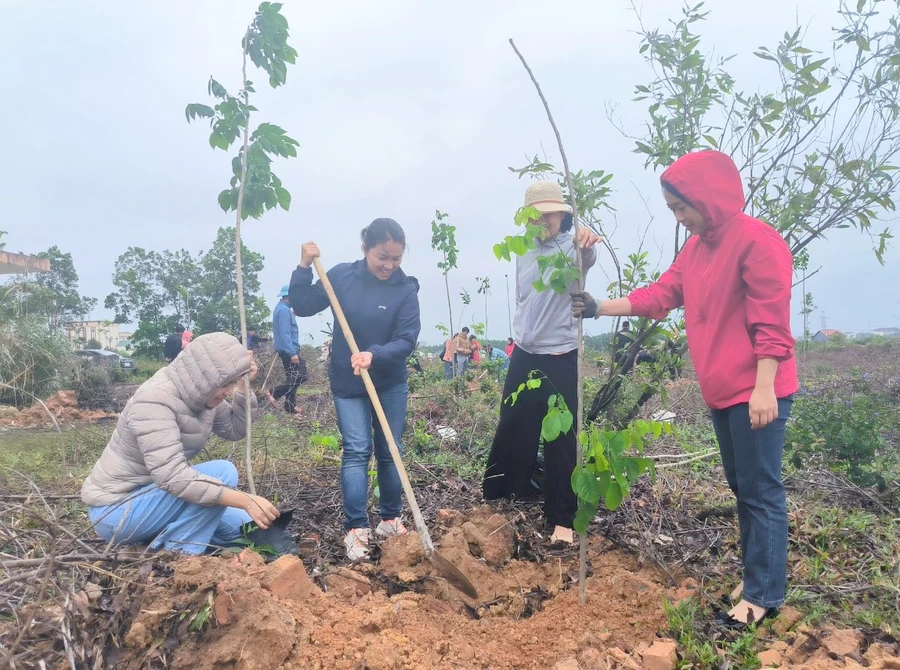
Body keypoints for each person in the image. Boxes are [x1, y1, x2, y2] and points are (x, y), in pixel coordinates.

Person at [571, 150, 797, 628]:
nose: (679, 218)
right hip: (722, 390)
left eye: (681, 208)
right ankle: (761, 575)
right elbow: (661, 295)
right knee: (743, 488)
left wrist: (765, 388)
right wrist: (598, 307)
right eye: (673, 209)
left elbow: (771, 321)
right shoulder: (695, 250)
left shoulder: (758, 242)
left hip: (755, 389)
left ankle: (763, 594)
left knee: (760, 490)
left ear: (707, 198)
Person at [289, 218, 421, 561]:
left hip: (389, 380)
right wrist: (304, 266)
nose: (389, 266)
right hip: (348, 384)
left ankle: (390, 520)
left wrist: (373, 355)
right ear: (366, 249)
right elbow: (302, 305)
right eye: (382, 257)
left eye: (396, 259)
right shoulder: (342, 277)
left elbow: (406, 340)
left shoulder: (405, 289)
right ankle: (357, 528)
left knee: (391, 451)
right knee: (357, 450)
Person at [81, 333, 281, 555]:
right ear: (204, 377)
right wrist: (246, 500)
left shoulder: (201, 395)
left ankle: (149, 546)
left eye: (233, 383)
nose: (229, 391)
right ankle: (177, 556)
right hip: (117, 511)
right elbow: (172, 476)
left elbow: (235, 429)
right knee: (224, 472)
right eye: (227, 384)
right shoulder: (154, 399)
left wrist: (243, 387)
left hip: (158, 500)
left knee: (244, 528)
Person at [482, 180, 601, 545]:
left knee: (561, 437)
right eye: (536, 215)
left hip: (560, 354)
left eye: (549, 214)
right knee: (514, 420)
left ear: (561, 215)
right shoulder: (523, 251)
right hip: (525, 351)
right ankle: (503, 492)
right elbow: (523, 300)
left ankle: (562, 518)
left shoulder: (573, 248)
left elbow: (589, 256)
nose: (543, 221)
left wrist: (586, 239)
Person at [266, 286, 308, 415]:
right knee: (301, 375)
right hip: (288, 350)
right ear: (290, 296)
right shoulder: (284, 311)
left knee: (293, 377)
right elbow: (285, 334)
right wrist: (292, 353)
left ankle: (290, 407)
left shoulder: (283, 309)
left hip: (286, 349)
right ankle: (274, 392)